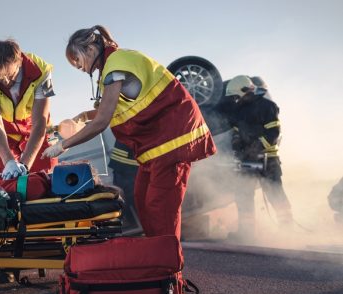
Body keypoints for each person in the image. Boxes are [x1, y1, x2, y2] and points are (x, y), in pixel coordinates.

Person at [42, 25, 216, 240]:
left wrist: (62, 146)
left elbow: (102, 121)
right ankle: (157, 257)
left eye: (76, 59)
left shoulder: (116, 65)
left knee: (160, 206)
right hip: (155, 147)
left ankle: (169, 268)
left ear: (89, 49)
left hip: (172, 141)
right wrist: (81, 117)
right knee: (141, 199)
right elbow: (108, 110)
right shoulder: (113, 67)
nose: (78, 67)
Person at [0, 39, 57, 180]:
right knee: (4, 176)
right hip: (5, 127)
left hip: (35, 124)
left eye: (10, 76)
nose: (5, 82)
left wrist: (24, 164)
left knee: (45, 176)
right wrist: (9, 161)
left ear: (20, 62)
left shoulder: (42, 70)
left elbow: (39, 124)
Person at [224, 75, 294, 241]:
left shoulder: (267, 106)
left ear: (245, 91)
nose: (234, 100)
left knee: (275, 195)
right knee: (242, 196)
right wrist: (237, 143)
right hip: (246, 161)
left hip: (267, 160)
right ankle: (246, 234)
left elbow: (274, 133)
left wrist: (257, 146)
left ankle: (287, 231)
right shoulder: (237, 111)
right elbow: (235, 132)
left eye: (236, 96)